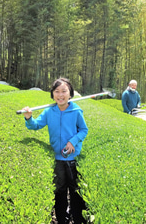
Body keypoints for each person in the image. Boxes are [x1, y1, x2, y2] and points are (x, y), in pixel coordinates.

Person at [22, 78, 88, 224]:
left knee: (75, 191)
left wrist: (73, 141)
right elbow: (35, 125)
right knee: (60, 190)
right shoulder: (49, 112)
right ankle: (62, 219)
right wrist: (29, 118)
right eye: (56, 91)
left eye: (64, 91)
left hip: (72, 158)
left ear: (70, 94)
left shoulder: (76, 111)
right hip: (57, 158)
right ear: (52, 94)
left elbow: (84, 130)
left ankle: (77, 218)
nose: (60, 95)